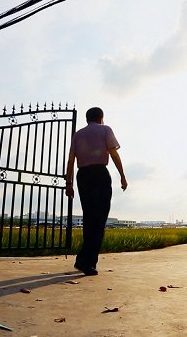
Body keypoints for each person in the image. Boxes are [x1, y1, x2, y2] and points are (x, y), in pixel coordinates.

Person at [65, 107, 128, 276]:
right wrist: (122, 175)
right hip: (100, 174)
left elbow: (71, 159)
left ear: (87, 119)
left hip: (82, 176)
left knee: (89, 217)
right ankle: (87, 262)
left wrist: (68, 183)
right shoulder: (105, 129)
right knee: (99, 220)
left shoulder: (78, 134)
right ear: (101, 118)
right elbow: (114, 154)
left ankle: (84, 260)